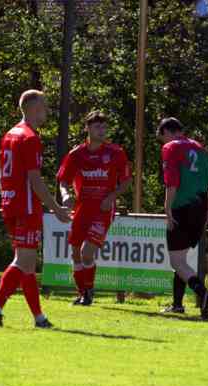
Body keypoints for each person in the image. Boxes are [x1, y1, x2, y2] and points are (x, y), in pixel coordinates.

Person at [0, 90, 70, 328]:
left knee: (28, 266)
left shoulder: (10, 134)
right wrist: (55, 208)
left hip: (10, 202)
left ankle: (39, 318)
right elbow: (35, 180)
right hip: (26, 205)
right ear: (32, 108)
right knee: (24, 261)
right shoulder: (30, 137)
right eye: (44, 106)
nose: (47, 111)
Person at [57, 111, 132, 305]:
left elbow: (126, 182)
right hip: (82, 209)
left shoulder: (115, 152)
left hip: (103, 209)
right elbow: (63, 181)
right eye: (97, 127)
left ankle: (88, 292)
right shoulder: (76, 154)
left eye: (104, 127)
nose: (102, 130)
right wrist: (66, 196)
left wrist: (112, 197)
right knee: (75, 253)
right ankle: (83, 292)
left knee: (86, 252)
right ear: (87, 128)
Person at [157, 117, 208, 319]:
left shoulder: (171, 147)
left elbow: (172, 182)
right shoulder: (200, 148)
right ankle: (177, 305)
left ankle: (203, 294)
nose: (163, 143)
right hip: (199, 209)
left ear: (167, 131)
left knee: (176, 262)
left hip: (181, 208)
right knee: (182, 260)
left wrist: (167, 209)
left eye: (162, 138)